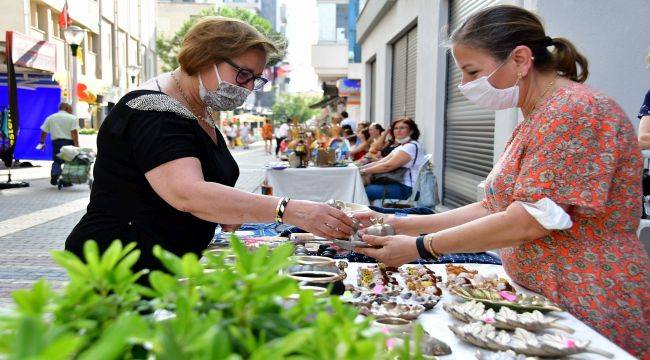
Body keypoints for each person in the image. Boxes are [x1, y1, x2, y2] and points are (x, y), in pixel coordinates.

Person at [353, 6, 648, 357]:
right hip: (544, 295)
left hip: (586, 299)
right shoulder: (537, 115)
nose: (464, 86)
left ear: (521, 59)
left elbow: (529, 218)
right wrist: (399, 224)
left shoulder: (576, 111)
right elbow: (495, 206)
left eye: (472, 71)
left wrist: (421, 247)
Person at [65, 16, 354, 278]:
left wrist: (229, 211)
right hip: (123, 263)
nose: (249, 87)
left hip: (166, 260)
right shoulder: (153, 111)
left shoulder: (198, 108)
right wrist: (287, 210)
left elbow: (201, 191)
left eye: (256, 79)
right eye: (243, 75)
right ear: (204, 58)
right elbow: (188, 193)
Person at [359, 118, 424, 201]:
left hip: (408, 189)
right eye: (395, 128)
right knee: (361, 183)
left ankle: (367, 212)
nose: (398, 131)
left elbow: (388, 166)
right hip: (398, 184)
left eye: (402, 128)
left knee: (364, 191)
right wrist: (360, 169)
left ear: (411, 131)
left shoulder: (410, 147)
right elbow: (380, 162)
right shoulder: (402, 146)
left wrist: (363, 171)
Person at [36, 102, 79, 186]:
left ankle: (55, 174)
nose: (71, 110)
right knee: (68, 161)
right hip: (69, 143)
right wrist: (76, 144)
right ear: (66, 108)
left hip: (56, 142)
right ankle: (66, 181)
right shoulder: (72, 118)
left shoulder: (51, 118)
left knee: (57, 160)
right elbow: (74, 132)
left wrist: (42, 142)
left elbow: (44, 131)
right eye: (70, 108)